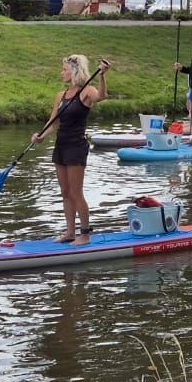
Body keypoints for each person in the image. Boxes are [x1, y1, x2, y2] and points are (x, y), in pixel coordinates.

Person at [31, 54, 111, 244]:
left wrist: (101, 75)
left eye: (65, 70)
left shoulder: (87, 91)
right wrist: (41, 136)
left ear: (74, 72)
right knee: (65, 192)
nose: (62, 73)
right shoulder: (60, 96)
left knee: (76, 192)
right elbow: (53, 122)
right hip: (61, 145)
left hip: (76, 146)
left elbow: (101, 96)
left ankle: (84, 234)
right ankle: (69, 232)